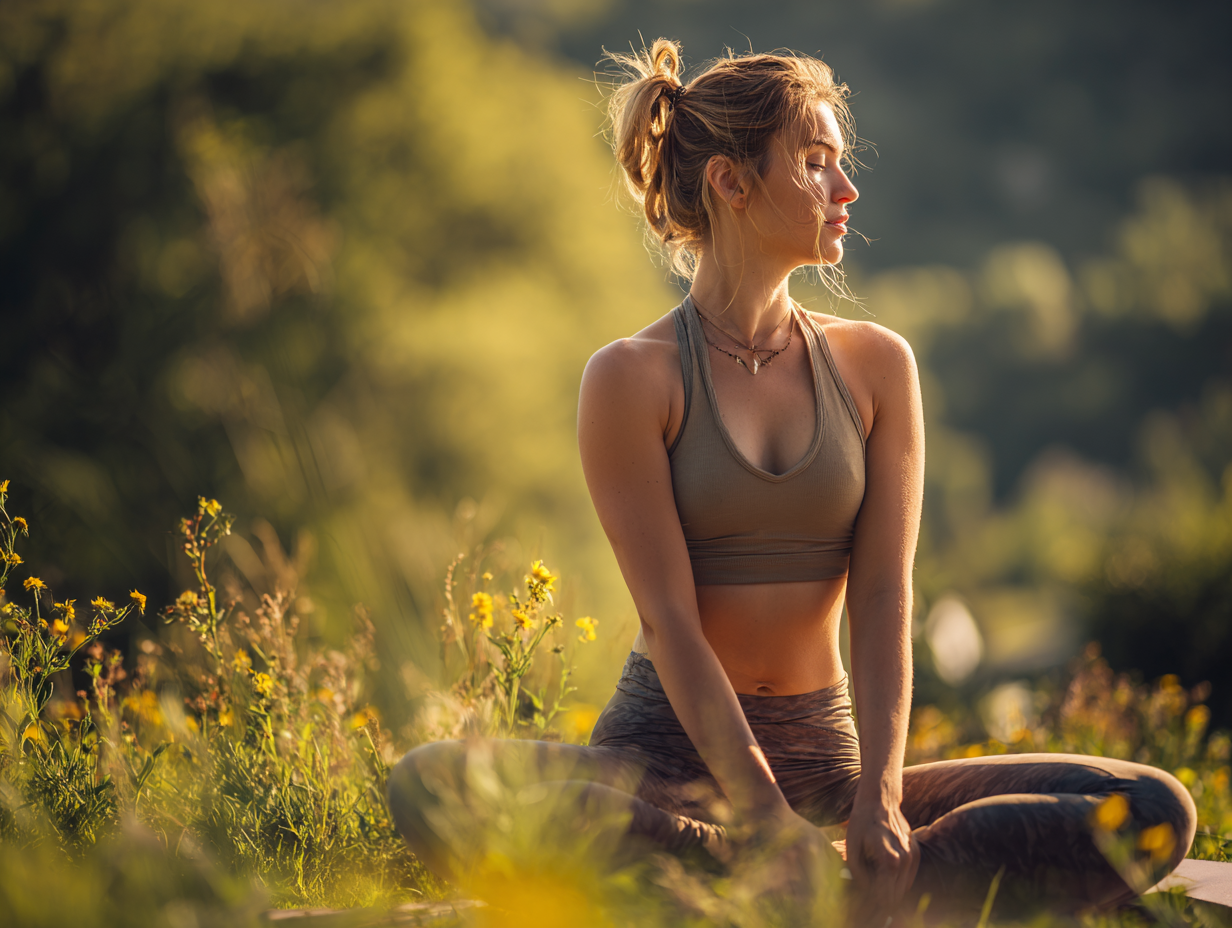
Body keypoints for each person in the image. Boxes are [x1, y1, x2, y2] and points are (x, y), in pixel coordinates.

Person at [387, 40, 1196, 921]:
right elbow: (669, 622)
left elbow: (884, 594)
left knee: (1154, 808)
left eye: (841, 163)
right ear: (732, 183)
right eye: (816, 165)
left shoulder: (878, 366)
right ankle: (776, 872)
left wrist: (880, 800)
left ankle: (810, 880)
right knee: (429, 785)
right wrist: (764, 819)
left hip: (831, 767)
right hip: (662, 767)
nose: (845, 190)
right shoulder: (631, 377)